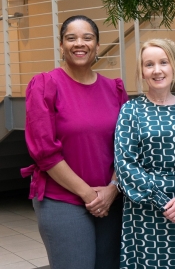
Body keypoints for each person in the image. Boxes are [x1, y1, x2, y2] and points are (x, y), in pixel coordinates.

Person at [21, 15, 128, 269]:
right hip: (62, 200)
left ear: (97, 46)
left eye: (87, 37)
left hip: (109, 199)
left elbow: (126, 146)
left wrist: (112, 188)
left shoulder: (114, 89)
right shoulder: (45, 85)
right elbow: (45, 153)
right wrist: (90, 195)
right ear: (61, 46)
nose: (79, 43)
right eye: (71, 38)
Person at [114, 38, 175, 269]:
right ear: (142, 72)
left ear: (174, 66)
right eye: (149, 64)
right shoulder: (130, 110)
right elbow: (125, 163)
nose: (157, 70)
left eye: (163, 62)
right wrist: (161, 200)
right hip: (145, 212)